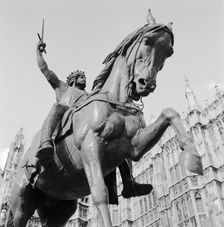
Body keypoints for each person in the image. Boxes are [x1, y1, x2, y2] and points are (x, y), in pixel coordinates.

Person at [36, 40, 153, 204]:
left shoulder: (91, 97)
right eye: (81, 77)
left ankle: (129, 183)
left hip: (86, 127)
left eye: (84, 77)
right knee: (57, 108)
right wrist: (39, 53)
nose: (85, 79)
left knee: (118, 140)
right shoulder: (63, 88)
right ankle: (45, 145)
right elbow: (46, 71)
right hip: (68, 120)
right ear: (73, 80)